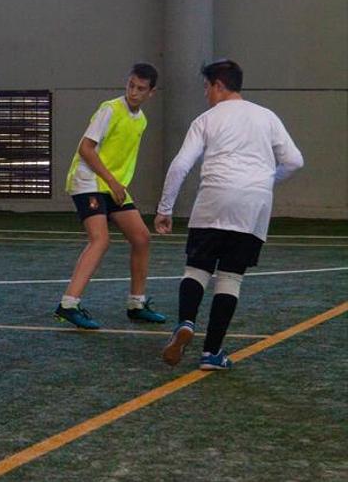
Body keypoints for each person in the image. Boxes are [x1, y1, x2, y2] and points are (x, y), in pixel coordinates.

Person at [157, 59, 303, 370]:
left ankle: (185, 322)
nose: (206, 95)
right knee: (230, 278)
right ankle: (212, 353)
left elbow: (181, 165)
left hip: (213, 199)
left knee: (197, 269)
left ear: (219, 86)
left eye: (207, 88)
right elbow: (294, 161)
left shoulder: (206, 120)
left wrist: (164, 209)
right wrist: (265, 180)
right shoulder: (267, 117)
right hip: (254, 206)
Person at [55, 63, 168, 329]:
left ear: (151, 92)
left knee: (141, 237)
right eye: (131, 85)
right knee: (100, 239)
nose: (134, 92)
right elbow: (86, 148)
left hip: (112, 185)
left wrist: (117, 185)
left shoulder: (141, 120)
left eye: (141, 89)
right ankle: (68, 305)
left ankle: (136, 304)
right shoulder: (109, 109)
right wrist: (112, 182)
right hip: (87, 180)